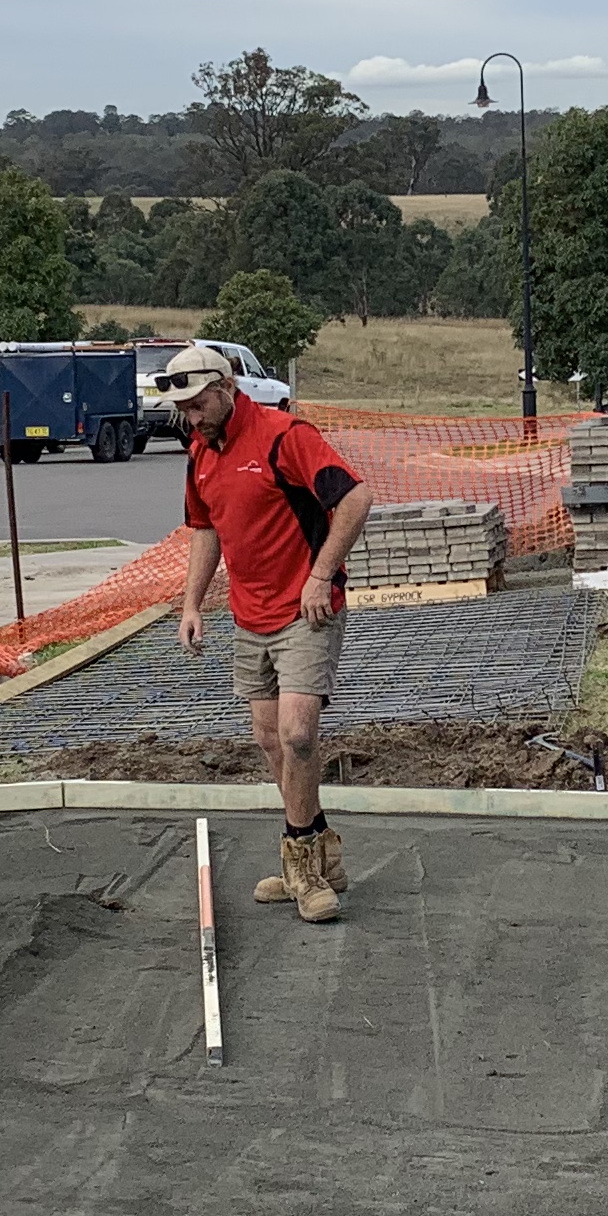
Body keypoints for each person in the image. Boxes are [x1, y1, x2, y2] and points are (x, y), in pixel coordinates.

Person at [162, 340, 371, 923]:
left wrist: (320, 574)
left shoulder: (285, 437)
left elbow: (356, 497)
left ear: (227, 389)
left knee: (299, 733)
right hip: (248, 616)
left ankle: (299, 865)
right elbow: (205, 530)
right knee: (270, 740)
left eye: (198, 404)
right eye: (184, 409)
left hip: (307, 610)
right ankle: (322, 849)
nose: (191, 417)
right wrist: (192, 604)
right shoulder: (200, 454)